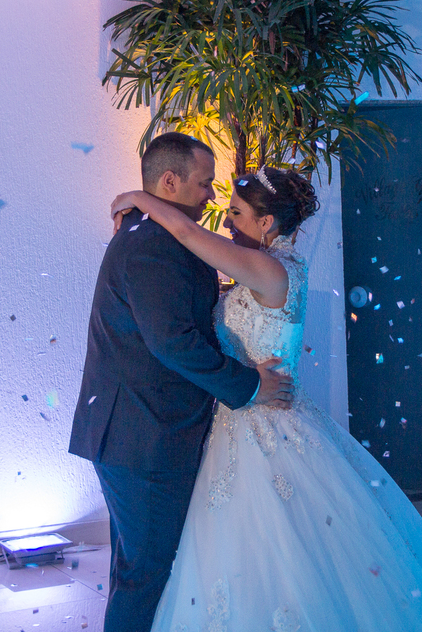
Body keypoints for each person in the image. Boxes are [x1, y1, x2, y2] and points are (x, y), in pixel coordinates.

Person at [110, 165, 422, 632]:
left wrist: (139, 198)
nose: (226, 221)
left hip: (263, 420)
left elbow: (187, 233)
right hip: (241, 415)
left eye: (236, 213)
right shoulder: (269, 265)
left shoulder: (270, 269)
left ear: (266, 222)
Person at [68, 132, 294, 632]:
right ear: (169, 181)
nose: (211, 198)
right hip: (144, 435)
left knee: (140, 569)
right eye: (204, 184)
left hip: (142, 430)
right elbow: (173, 342)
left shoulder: (155, 233)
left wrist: (136, 199)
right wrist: (249, 386)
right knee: (146, 574)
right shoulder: (153, 243)